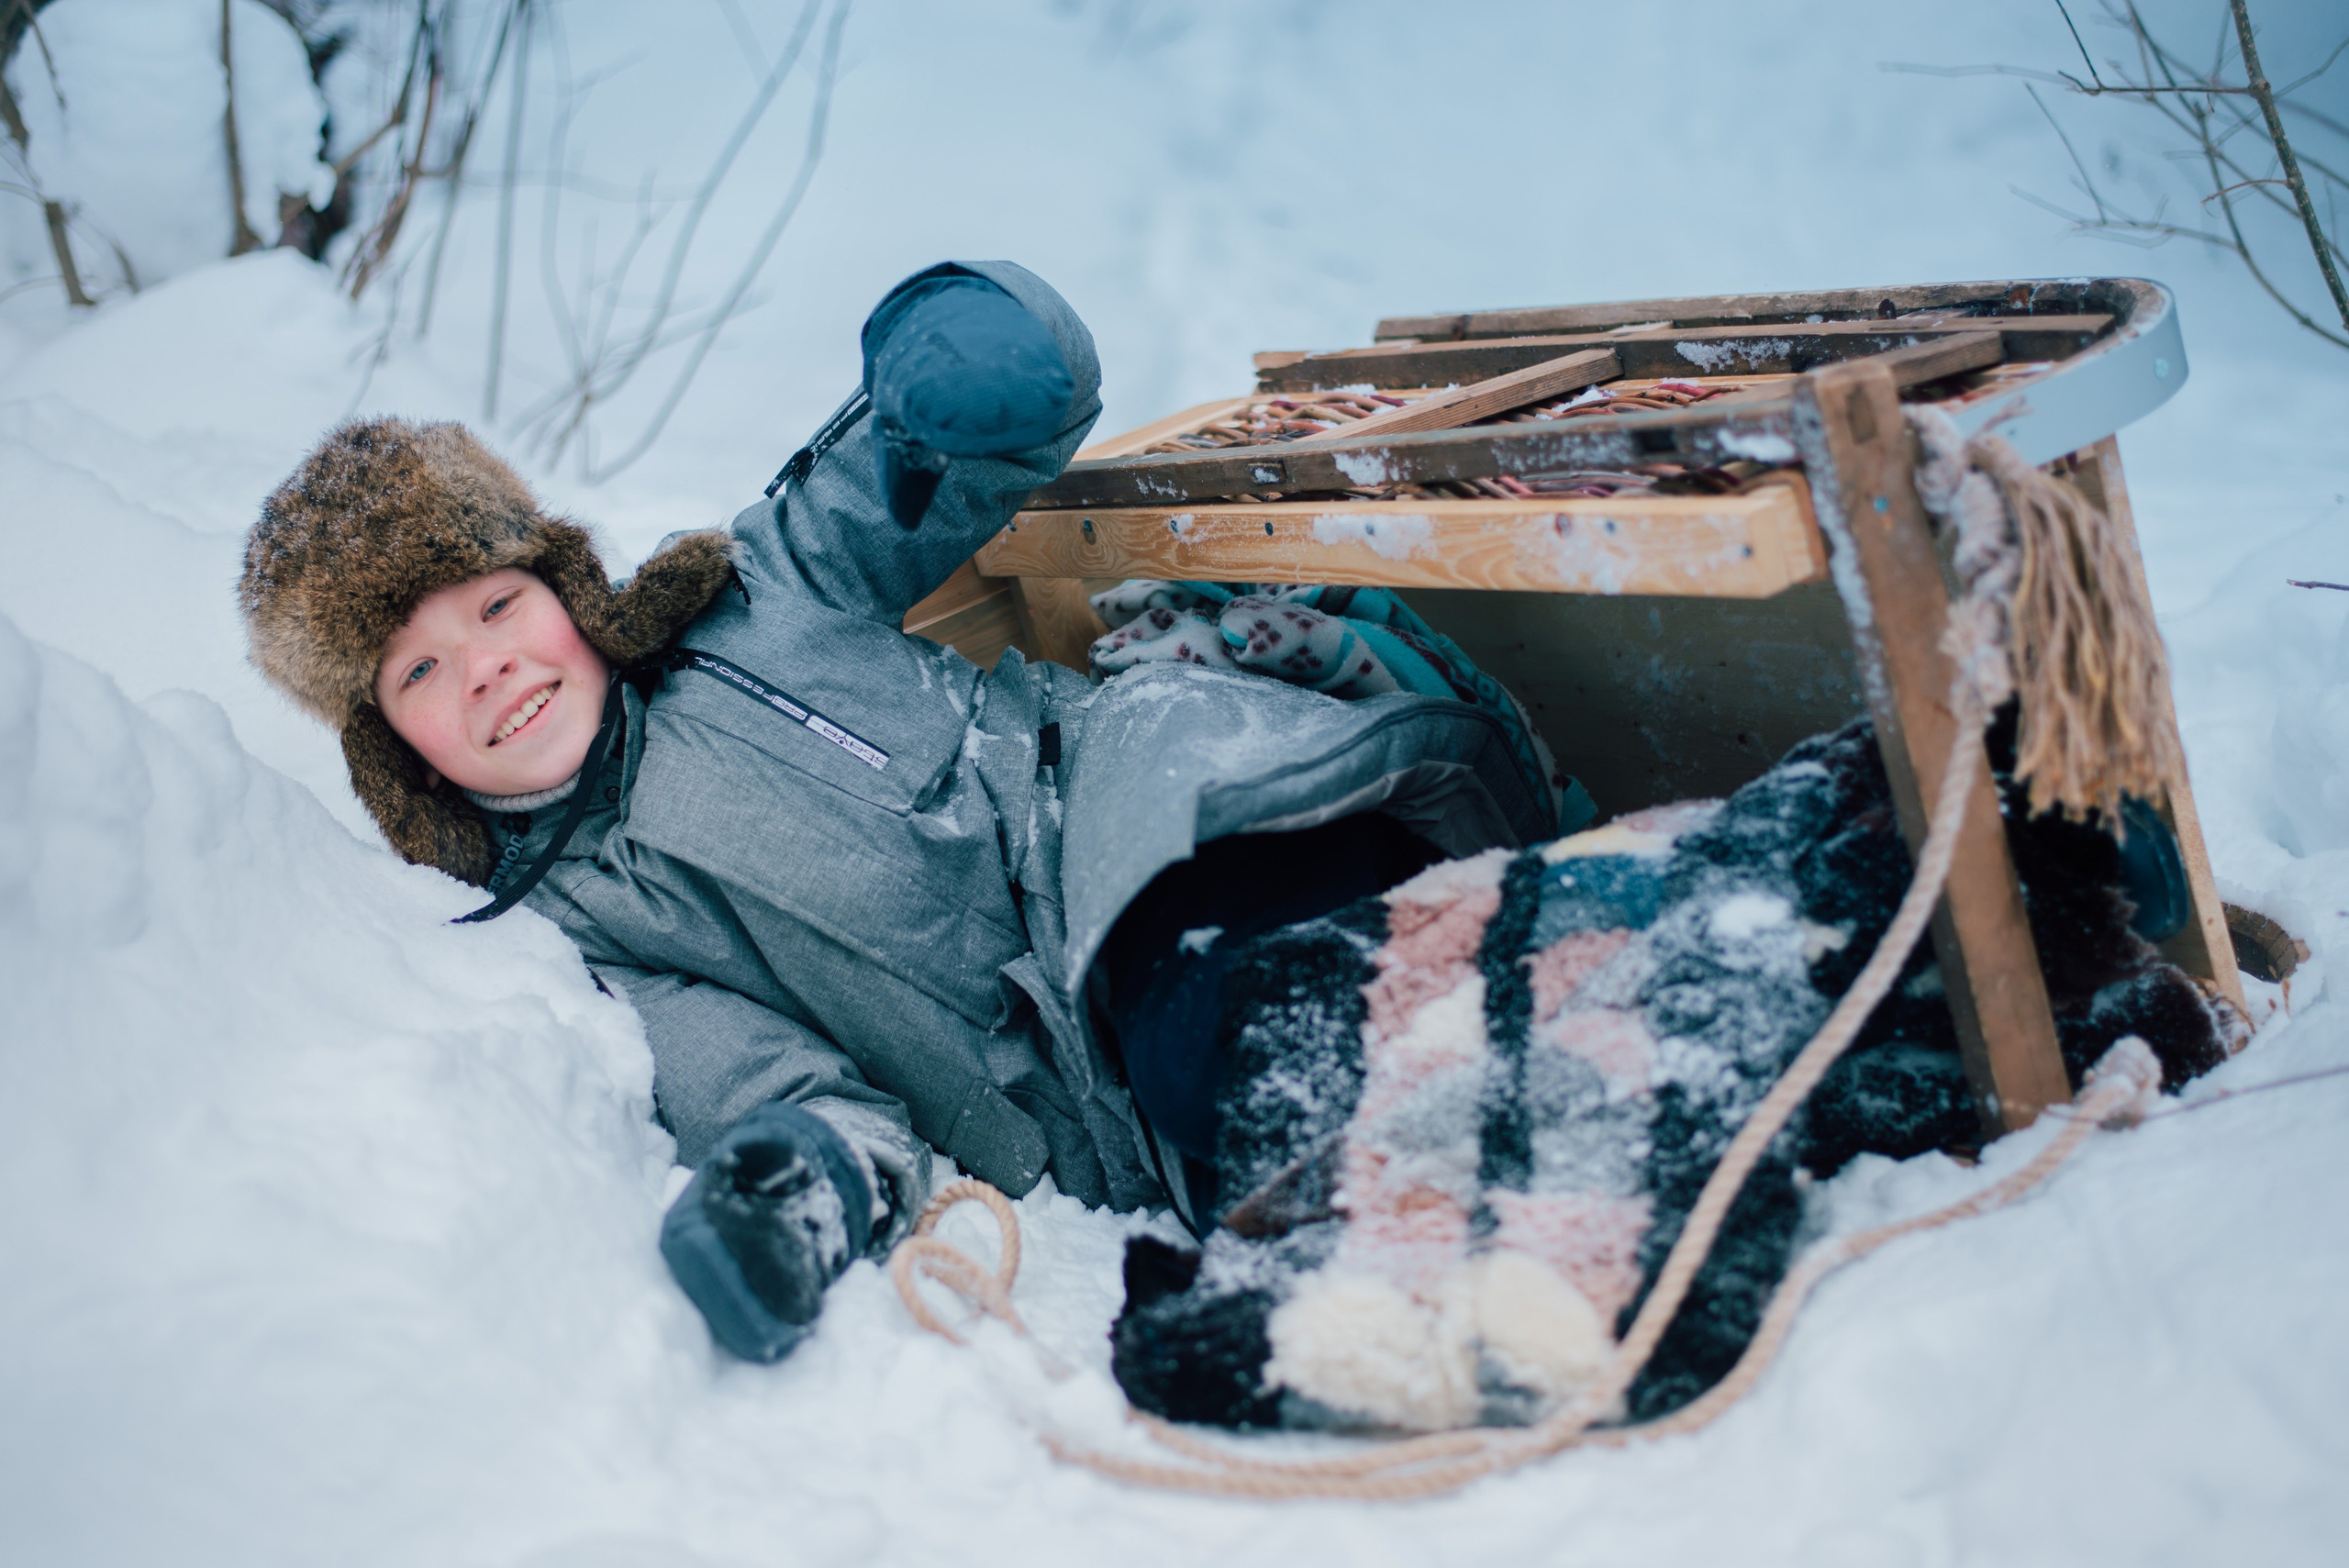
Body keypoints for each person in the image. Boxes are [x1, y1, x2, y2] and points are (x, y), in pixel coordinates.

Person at [237, 261, 1559, 1364]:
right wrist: (795, 1182)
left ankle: (1497, 1116)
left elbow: (922, 474)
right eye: (420, 670)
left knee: (1211, 999)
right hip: (1092, 1088)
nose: (486, 666)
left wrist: (971, 367)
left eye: (497, 605)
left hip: (1153, 815)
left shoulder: (757, 599)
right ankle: (1473, 1214)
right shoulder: (581, 936)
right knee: (1217, 1111)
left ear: (566, 586)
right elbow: (767, 1081)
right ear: (396, 753)